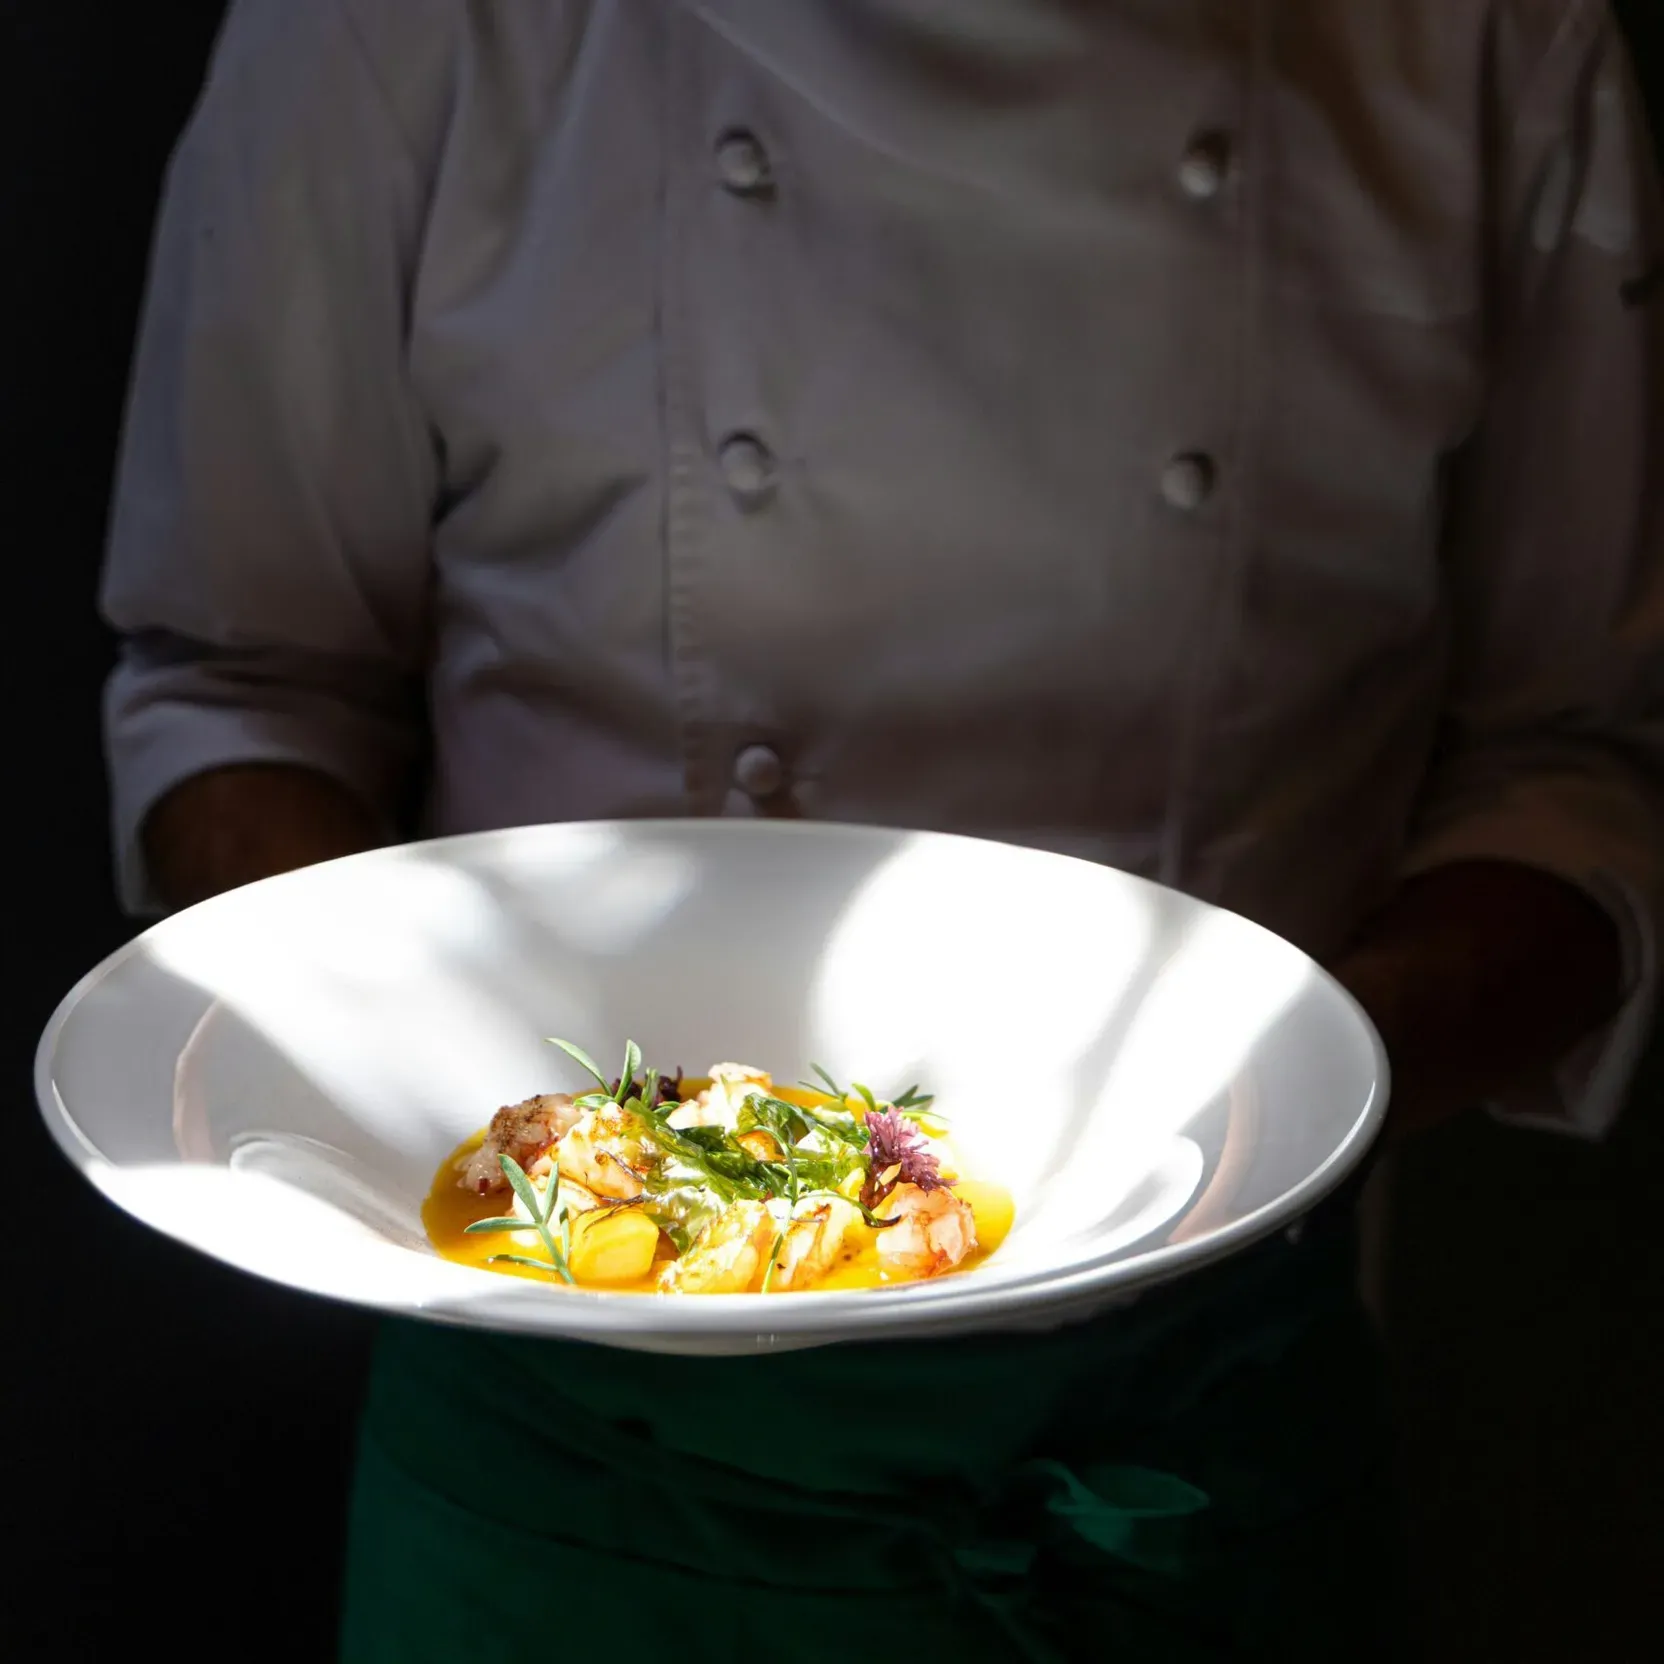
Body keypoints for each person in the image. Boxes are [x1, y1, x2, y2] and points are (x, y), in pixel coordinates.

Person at [100, 1, 1664, 1657]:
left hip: (1185, 1451)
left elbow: (1577, 766)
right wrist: (412, 1078)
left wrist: (1258, 1105)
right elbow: (239, 684)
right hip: (572, 1487)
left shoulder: (1484, 37)